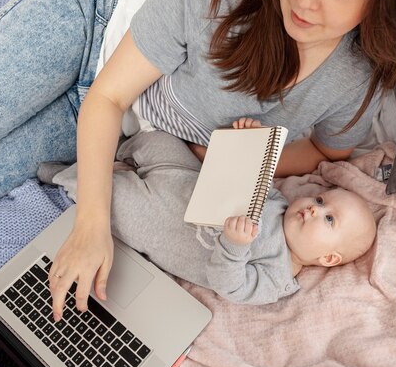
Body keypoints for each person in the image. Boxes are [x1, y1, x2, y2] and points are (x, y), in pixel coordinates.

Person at [0, 0, 396, 321]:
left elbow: (327, 153)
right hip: (92, 39)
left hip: (120, 125)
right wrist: (90, 227)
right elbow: (106, 97)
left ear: (383, 0)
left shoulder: (353, 79)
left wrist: (228, 158)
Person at [108, 124, 376, 304]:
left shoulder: (278, 276)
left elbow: (229, 287)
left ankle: (81, 180)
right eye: (320, 199)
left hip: (163, 224)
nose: (316, 208)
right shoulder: (281, 204)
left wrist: (235, 247)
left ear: (328, 257)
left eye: (329, 219)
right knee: (157, 139)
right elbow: (251, 176)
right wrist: (251, 141)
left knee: (105, 196)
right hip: (185, 178)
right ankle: (112, 144)